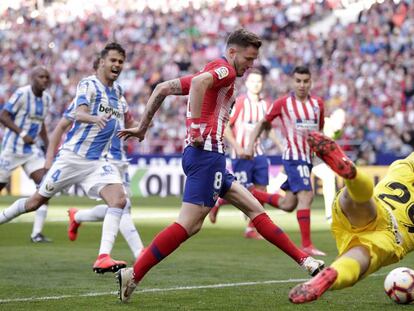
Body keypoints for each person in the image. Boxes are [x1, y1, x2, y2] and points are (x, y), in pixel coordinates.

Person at [115, 29, 324, 303]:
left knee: (254, 209)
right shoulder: (223, 71)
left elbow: (162, 89)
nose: (250, 66)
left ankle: (305, 262)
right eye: (248, 59)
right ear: (233, 52)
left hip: (210, 158)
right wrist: (197, 127)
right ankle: (134, 274)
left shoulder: (218, 74)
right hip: (207, 156)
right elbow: (201, 83)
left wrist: (143, 127)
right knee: (188, 224)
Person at [0, 42, 131, 273]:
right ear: (102, 62)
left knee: (119, 200)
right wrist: (92, 119)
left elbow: (129, 121)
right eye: (113, 60)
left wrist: (140, 128)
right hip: (72, 158)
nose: (117, 65)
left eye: (120, 61)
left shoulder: (118, 92)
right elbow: (78, 113)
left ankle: (103, 257)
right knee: (34, 202)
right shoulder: (88, 84)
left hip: (98, 162)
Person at [289, 132, 414, 303]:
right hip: (391, 238)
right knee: (361, 257)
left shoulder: (404, 170)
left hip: (371, 208)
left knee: (357, 199)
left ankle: (353, 177)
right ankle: (332, 278)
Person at [45, 97, 144, 260]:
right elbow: (63, 124)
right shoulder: (90, 95)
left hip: (120, 159)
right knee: (122, 205)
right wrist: (49, 156)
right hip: (103, 157)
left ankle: (77, 216)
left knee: (119, 207)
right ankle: (139, 252)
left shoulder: (121, 99)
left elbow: (129, 123)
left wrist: (145, 124)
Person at [247, 66, 326, 256]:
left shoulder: (318, 104)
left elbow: (319, 131)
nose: (302, 85)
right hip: (293, 157)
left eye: (305, 81)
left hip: (307, 159)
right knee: (306, 196)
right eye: (298, 81)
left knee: (288, 205)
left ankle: (254, 194)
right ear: (292, 82)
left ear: (310, 82)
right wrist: (250, 145)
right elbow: (263, 123)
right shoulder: (283, 103)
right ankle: (306, 245)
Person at [209, 68, 282, 239]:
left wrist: (280, 144)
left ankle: (251, 228)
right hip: (241, 154)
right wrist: (237, 147)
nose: (256, 84)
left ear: (262, 84)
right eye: (253, 81)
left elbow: (267, 128)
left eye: (259, 81)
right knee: (245, 192)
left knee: (261, 189)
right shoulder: (240, 102)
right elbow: (226, 126)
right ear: (247, 83)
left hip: (259, 153)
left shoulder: (265, 105)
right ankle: (219, 202)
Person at [0, 66, 53, 243]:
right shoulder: (22, 94)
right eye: (41, 76)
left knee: (46, 186)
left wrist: (48, 146)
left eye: (47, 77)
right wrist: (23, 134)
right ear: (32, 78)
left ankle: (36, 234)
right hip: (12, 149)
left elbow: (42, 124)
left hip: (31, 151)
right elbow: (4, 116)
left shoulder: (47, 99)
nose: (44, 80)